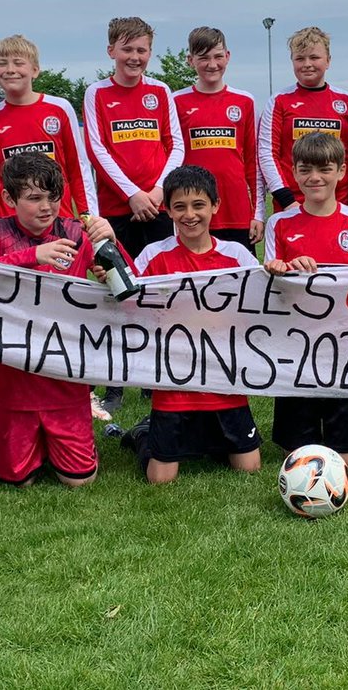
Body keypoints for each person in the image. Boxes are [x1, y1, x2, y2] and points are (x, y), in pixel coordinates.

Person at [0, 153, 118, 487]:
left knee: (80, 481)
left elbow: (128, 286)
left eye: (53, 198)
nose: (47, 207)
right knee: (17, 482)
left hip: (64, 372)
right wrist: (32, 256)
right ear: (10, 198)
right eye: (34, 198)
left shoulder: (77, 231)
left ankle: (82, 441)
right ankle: (35, 445)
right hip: (13, 374)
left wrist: (110, 242)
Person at [118, 166, 264, 484]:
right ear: (167, 210)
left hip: (224, 378)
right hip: (174, 381)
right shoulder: (153, 256)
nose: (190, 215)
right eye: (180, 207)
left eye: (198, 205)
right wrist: (109, 280)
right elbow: (125, 302)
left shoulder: (237, 255)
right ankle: (144, 433)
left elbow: (267, 299)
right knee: (161, 479)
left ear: (215, 205)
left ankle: (205, 438)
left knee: (250, 467)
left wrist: (280, 271)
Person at [263, 132, 348, 467]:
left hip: (347, 347)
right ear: (294, 173)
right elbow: (272, 285)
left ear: (341, 171)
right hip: (298, 346)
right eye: (305, 170)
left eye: (324, 169)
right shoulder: (279, 223)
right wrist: (282, 270)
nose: (314, 177)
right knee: (297, 454)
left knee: (346, 457)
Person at [84, 17, 184, 259]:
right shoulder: (96, 93)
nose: (134, 57)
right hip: (117, 209)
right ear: (111, 51)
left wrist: (159, 191)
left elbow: (176, 146)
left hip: (157, 206)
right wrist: (131, 195)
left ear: (150, 52)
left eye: (142, 50)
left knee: (160, 280)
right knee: (120, 283)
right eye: (126, 49)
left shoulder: (160, 91)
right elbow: (97, 151)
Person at [0, 34, 97, 222]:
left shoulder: (60, 109)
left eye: (18, 63)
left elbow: (78, 167)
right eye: (2, 64)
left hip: (57, 221)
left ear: (35, 70)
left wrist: (88, 215)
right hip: (12, 227)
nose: (10, 70)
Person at [172, 27, 264, 250]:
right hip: (193, 212)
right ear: (190, 60)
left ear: (228, 57)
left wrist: (258, 213)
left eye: (218, 56)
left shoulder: (245, 101)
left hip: (237, 212)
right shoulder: (176, 101)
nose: (212, 64)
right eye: (203, 58)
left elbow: (253, 162)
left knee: (240, 279)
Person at [259, 26, 348, 213]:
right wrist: (287, 201)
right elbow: (267, 154)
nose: (307, 64)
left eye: (314, 57)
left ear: (328, 61)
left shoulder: (347, 102)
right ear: (292, 62)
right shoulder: (279, 101)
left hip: (340, 206)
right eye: (300, 58)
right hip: (292, 207)